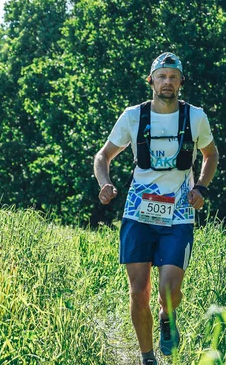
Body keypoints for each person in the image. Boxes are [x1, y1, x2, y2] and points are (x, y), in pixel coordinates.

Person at [93, 52, 219, 365]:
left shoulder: (195, 117)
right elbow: (102, 157)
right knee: (139, 292)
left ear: (181, 83)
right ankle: (147, 357)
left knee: (170, 290)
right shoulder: (133, 116)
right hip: (138, 213)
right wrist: (104, 184)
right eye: (161, 76)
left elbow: (210, 155)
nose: (167, 82)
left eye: (173, 77)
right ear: (151, 81)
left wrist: (200, 188)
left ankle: (168, 318)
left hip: (178, 215)